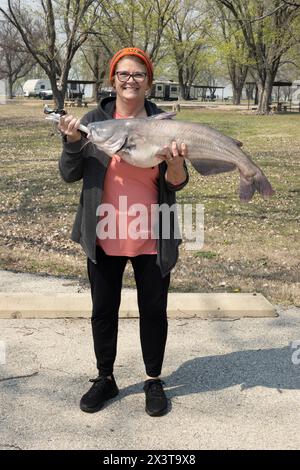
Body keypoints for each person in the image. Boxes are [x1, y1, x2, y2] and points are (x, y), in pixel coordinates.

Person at [58, 47, 189, 417]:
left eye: (138, 75)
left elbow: (177, 184)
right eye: (123, 74)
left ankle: (152, 379)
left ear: (148, 82)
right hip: (103, 233)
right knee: (103, 310)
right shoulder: (94, 121)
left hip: (153, 234)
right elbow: (69, 174)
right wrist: (70, 143)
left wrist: (176, 163)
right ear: (112, 79)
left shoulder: (164, 123)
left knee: (153, 311)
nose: (130, 81)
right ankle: (105, 378)